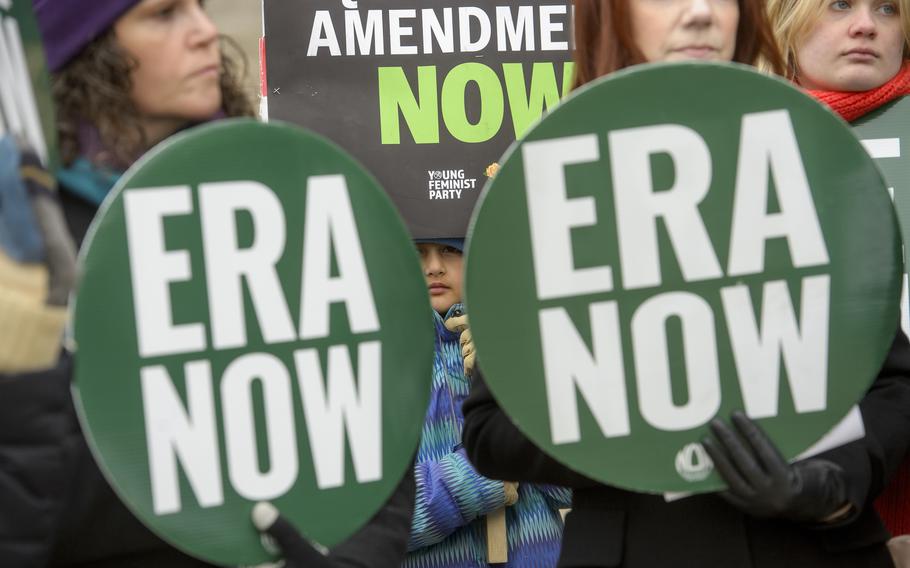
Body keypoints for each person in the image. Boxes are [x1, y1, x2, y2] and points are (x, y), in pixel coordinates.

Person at [458, 0, 910, 566]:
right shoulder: (553, 184)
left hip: (816, 547)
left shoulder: (806, 157)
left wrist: (827, 489)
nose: (699, 12)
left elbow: (892, 384)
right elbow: (490, 430)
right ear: (610, 15)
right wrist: (640, 426)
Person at [0, 1, 414, 566]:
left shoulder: (287, 200)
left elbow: (374, 421)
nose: (204, 33)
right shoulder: (31, 242)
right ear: (85, 45)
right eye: (165, 14)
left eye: (201, 8)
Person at [765, 0, 910, 563]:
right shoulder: (727, 144)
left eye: (888, 8)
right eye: (839, 5)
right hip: (795, 507)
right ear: (785, 22)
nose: (866, 25)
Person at [405, 239, 571, 568]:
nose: (434, 266)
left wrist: (510, 379)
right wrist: (480, 475)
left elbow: (571, 489)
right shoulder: (372, 366)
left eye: (451, 249)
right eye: (418, 251)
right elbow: (370, 522)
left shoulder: (527, 340)